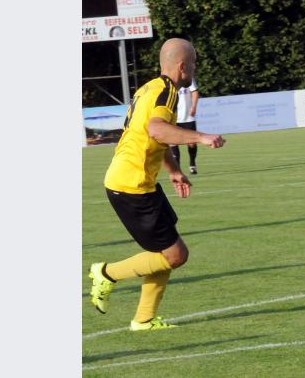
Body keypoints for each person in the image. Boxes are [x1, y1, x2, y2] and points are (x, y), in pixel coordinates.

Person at [88, 38, 226, 331]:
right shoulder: (168, 92)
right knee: (175, 255)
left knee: (166, 251)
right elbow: (157, 129)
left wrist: (174, 171)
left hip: (138, 182)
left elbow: (150, 138)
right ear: (183, 66)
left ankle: (144, 319)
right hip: (131, 186)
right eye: (194, 64)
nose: (194, 69)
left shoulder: (149, 87)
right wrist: (200, 137)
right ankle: (107, 273)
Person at [171, 76, 200, 174]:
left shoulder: (188, 77)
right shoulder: (168, 79)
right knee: (173, 143)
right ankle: (177, 168)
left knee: (192, 143)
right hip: (173, 117)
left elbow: (195, 92)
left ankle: (192, 163)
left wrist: (194, 107)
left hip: (187, 117)